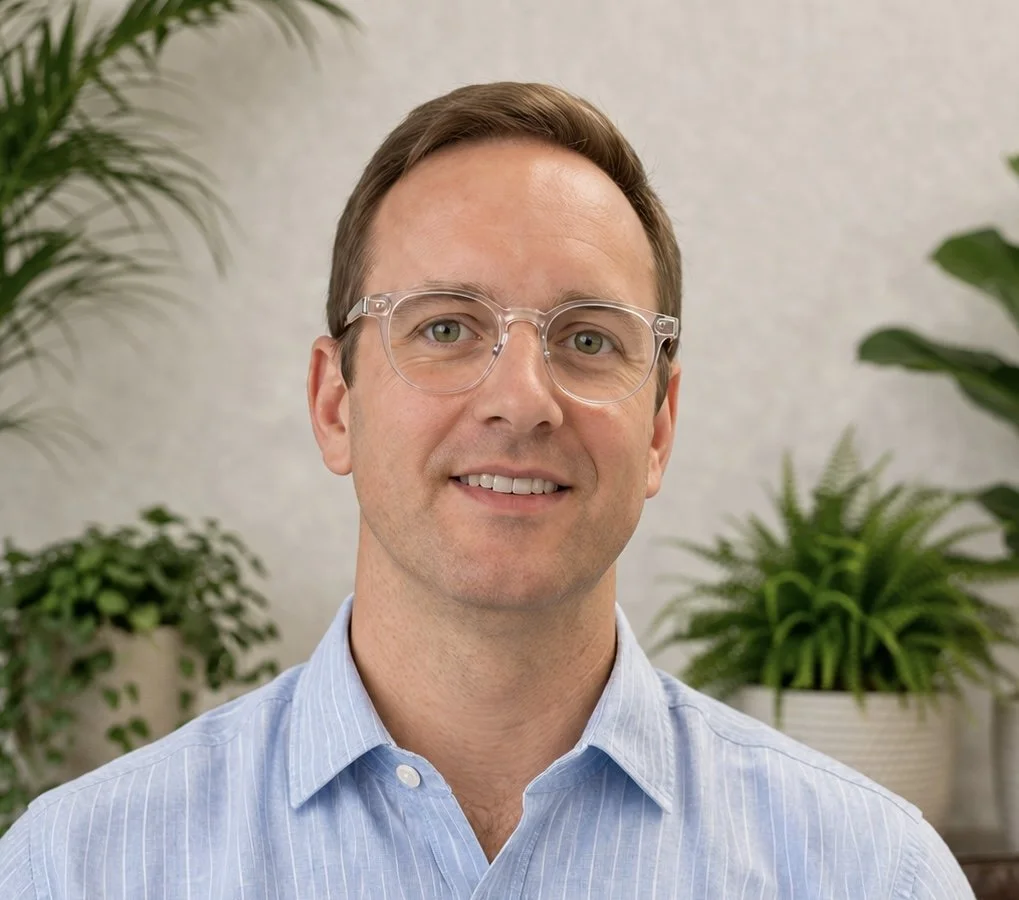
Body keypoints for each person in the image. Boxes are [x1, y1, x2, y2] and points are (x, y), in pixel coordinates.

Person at [0, 81, 975, 899]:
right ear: (335, 404)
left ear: (658, 430)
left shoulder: (866, 873)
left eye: (588, 339)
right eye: (445, 327)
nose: (521, 398)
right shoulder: (80, 869)